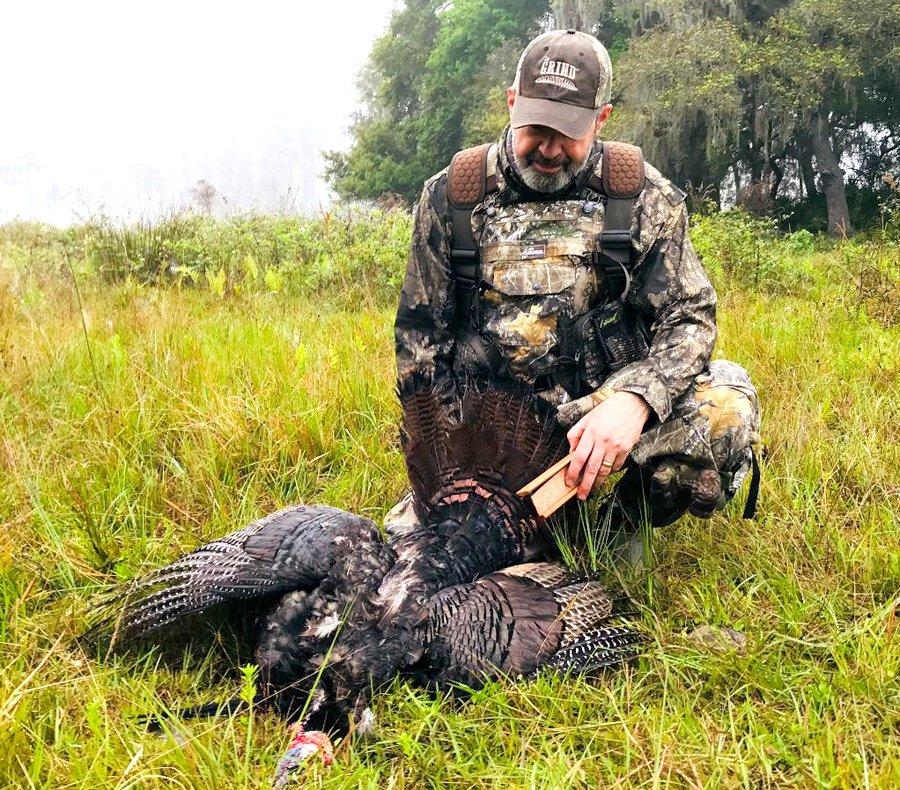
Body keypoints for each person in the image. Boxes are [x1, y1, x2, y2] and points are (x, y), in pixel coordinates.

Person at [389, 29, 760, 558]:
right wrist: (452, 472)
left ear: (601, 118)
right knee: (410, 567)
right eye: (536, 126)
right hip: (489, 446)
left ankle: (615, 530)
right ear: (513, 103)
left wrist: (633, 402)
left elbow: (691, 319)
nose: (548, 148)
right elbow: (419, 345)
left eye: (567, 132)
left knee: (725, 408)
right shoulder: (454, 196)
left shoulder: (637, 196)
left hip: (601, 432)